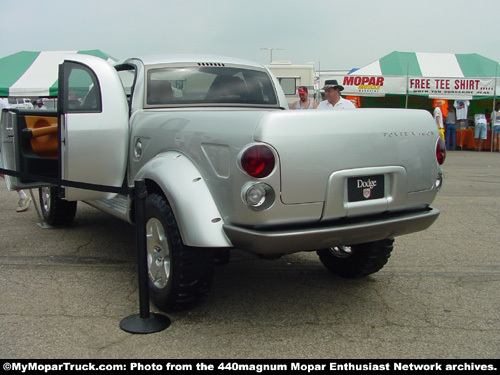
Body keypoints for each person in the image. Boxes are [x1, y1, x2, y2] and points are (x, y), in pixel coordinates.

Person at [0, 98, 32, 212]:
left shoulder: (2, 102)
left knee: (5, 170)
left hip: (2, 137)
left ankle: (23, 196)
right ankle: (23, 196)